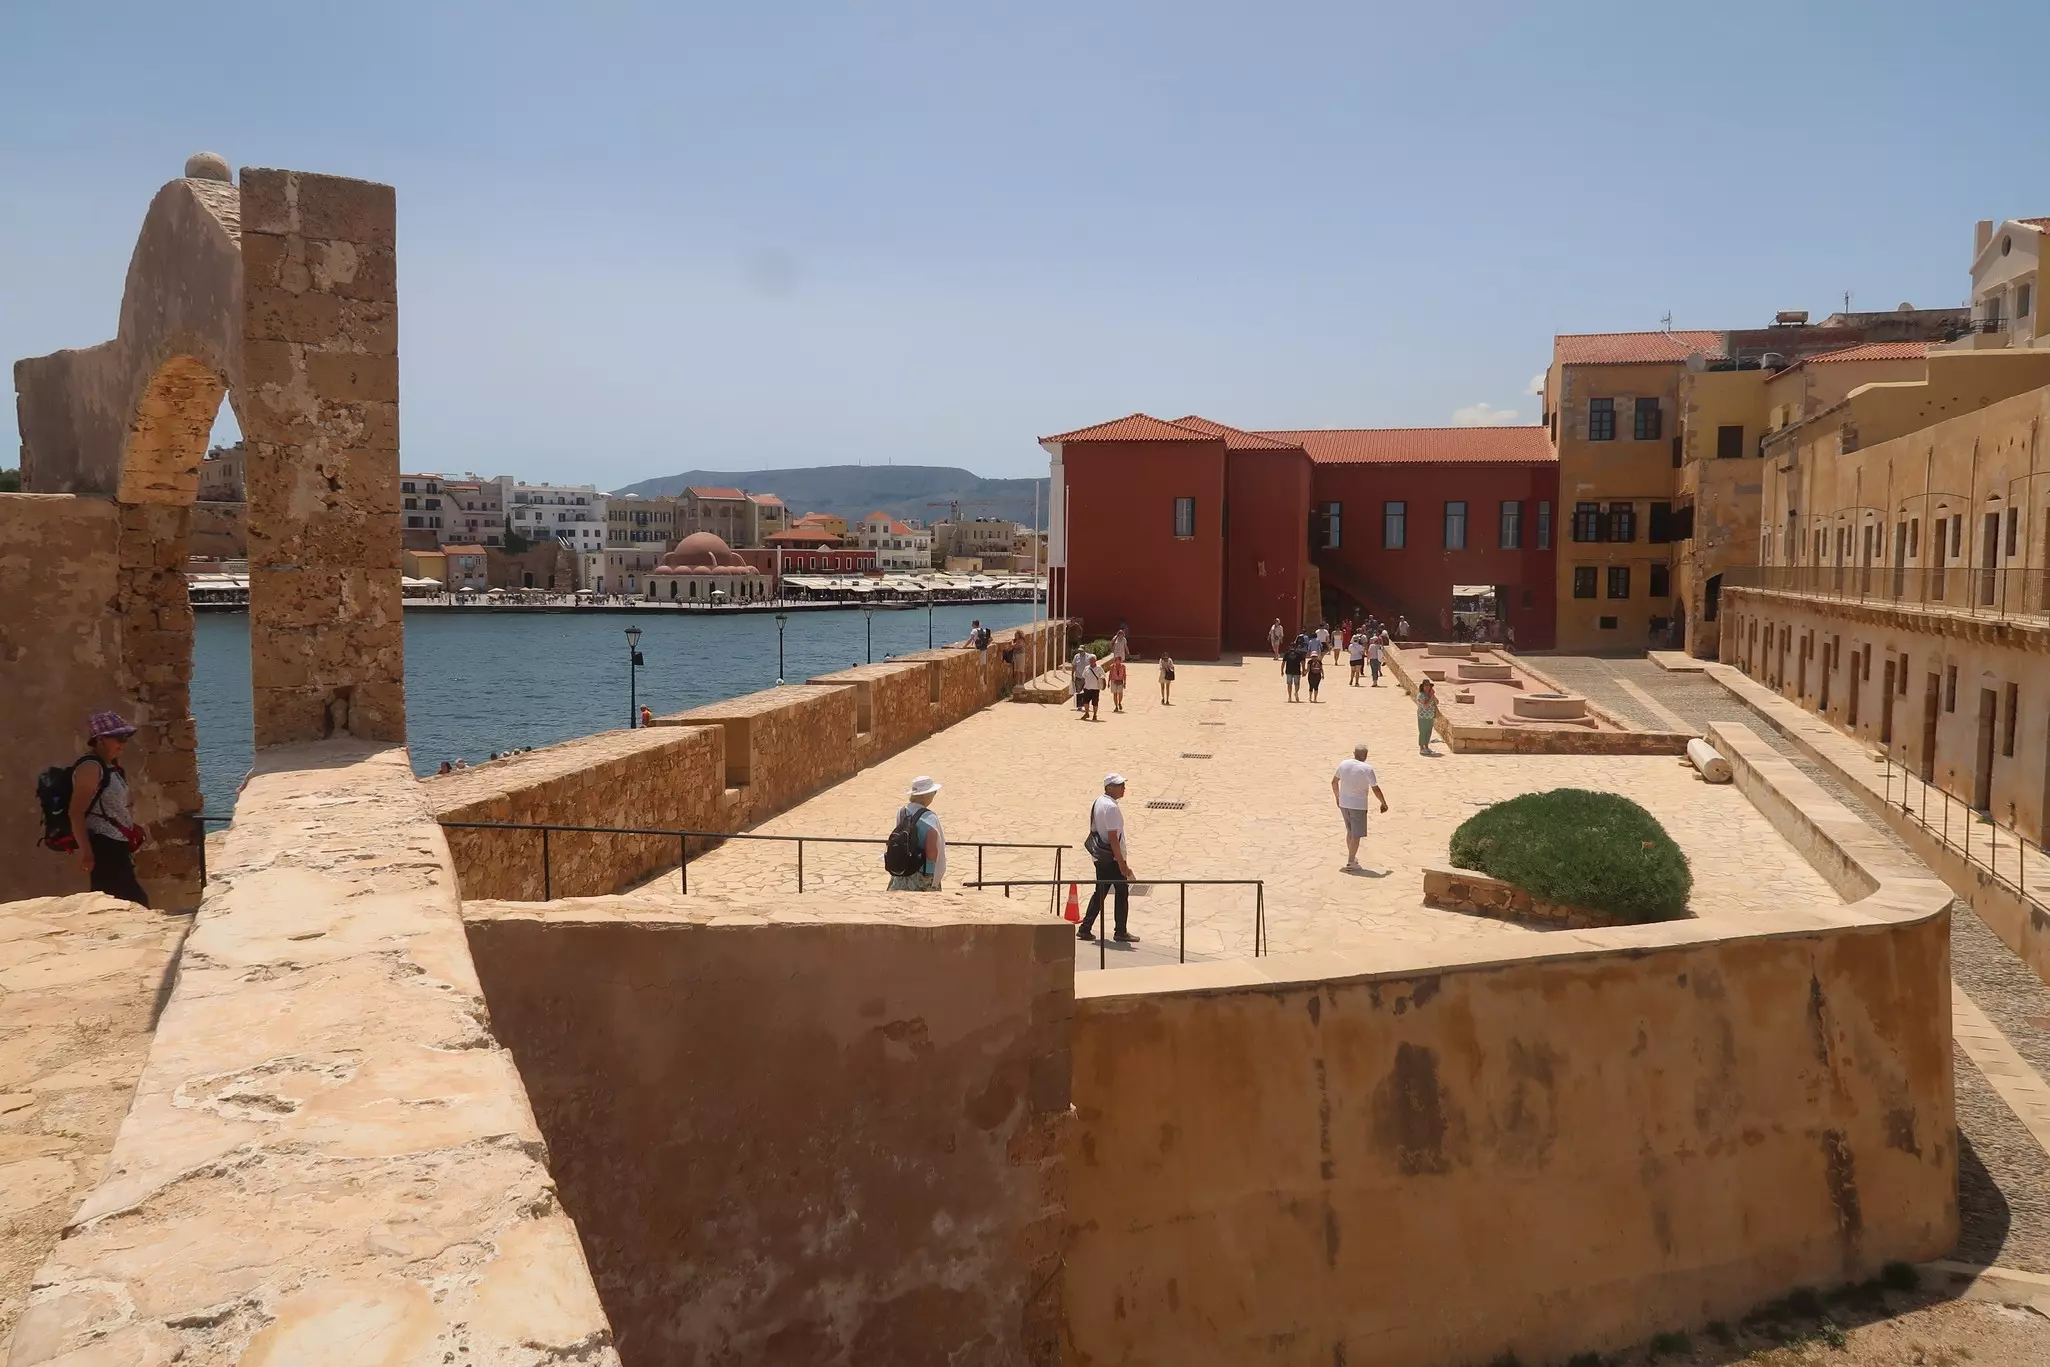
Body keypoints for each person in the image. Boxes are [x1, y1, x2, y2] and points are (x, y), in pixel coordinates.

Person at [67, 712, 150, 907]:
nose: (123, 743)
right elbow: (76, 812)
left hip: (117, 845)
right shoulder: (90, 768)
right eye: (119, 738)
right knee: (134, 902)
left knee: (117, 902)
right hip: (104, 847)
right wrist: (87, 854)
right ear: (100, 739)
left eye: (126, 738)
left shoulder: (109, 766)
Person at [1078, 773, 1136, 943]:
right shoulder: (1110, 808)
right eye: (1120, 785)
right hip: (1111, 858)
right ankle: (1120, 931)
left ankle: (1085, 928)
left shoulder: (1099, 802)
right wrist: (1121, 863)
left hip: (1101, 857)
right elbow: (1113, 838)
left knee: (1100, 892)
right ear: (1109, 787)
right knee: (1121, 892)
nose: (1123, 788)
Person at [1331, 743, 1390, 871]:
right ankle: (1351, 862)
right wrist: (1383, 802)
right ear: (1366, 756)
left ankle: (1352, 857)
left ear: (1354, 753)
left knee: (1350, 832)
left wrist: (1337, 797)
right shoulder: (1367, 769)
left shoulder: (1343, 764)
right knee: (1356, 835)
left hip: (1344, 803)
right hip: (1358, 805)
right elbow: (1375, 788)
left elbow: (1334, 782)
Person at [884, 775, 946, 891]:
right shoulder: (929, 818)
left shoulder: (902, 812)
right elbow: (932, 852)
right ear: (926, 795)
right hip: (924, 873)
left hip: (903, 870)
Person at [1416, 678, 1440, 754]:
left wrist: (1433, 695)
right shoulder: (1420, 695)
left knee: (1428, 731)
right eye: (1426, 686)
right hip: (1423, 716)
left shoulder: (1429, 694)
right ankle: (1421, 748)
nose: (1427, 687)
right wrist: (1431, 698)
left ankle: (1426, 747)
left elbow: (1437, 702)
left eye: (1429, 686)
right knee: (1423, 732)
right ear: (1422, 687)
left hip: (1430, 716)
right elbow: (1425, 704)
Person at [1282, 637, 1304, 701]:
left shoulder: (1287, 653)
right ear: (1296, 647)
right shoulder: (1299, 653)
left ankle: (1289, 697)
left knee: (1289, 684)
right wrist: (1303, 670)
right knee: (1297, 684)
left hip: (1288, 670)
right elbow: (1302, 662)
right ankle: (1296, 693)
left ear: (1290, 647)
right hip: (1297, 671)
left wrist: (1282, 670)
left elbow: (1283, 663)